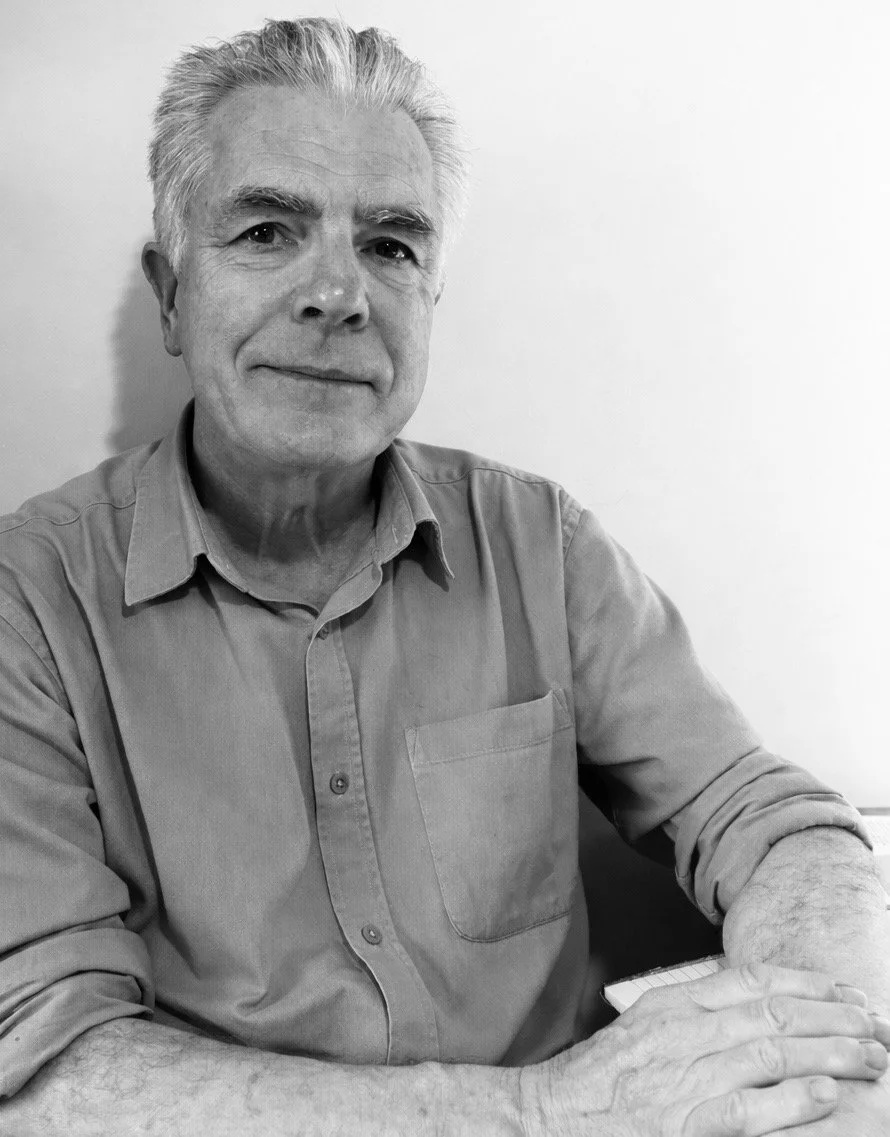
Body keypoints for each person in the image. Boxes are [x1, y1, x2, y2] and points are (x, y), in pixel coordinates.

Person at [0, 17, 888, 1135]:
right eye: (268, 231)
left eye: (391, 244)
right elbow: (49, 1073)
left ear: (429, 300)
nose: (339, 294)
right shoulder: (26, 602)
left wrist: (814, 1025)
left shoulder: (541, 543)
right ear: (171, 294)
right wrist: (543, 1114)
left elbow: (766, 820)